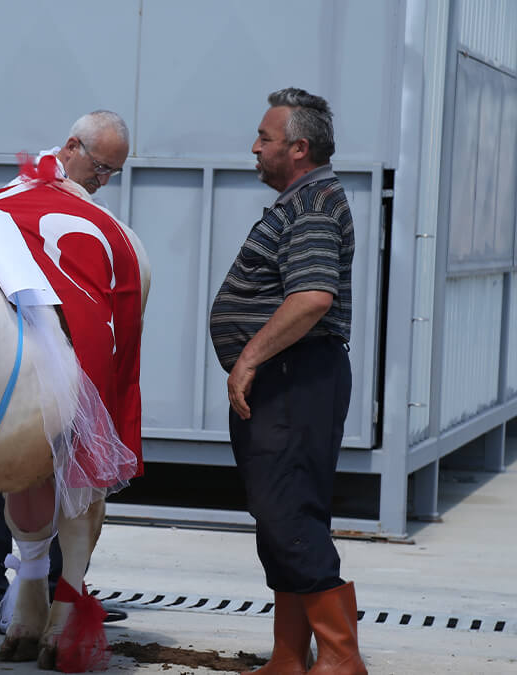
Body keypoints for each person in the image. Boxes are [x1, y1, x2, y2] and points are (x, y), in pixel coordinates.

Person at [209, 88, 365, 674]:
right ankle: (288, 657)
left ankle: (340, 660)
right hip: (285, 382)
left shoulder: (316, 205)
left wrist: (248, 358)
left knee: (287, 514)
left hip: (295, 379)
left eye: (265, 138)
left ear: (298, 148)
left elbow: (312, 298)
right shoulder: (300, 202)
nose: (254, 147)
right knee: (280, 514)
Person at [0, 110, 133, 634]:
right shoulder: (11, 203)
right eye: (99, 168)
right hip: (7, 364)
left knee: (63, 468)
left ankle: (57, 585)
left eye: (112, 174)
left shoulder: (77, 214)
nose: (102, 182)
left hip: (56, 361)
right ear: (72, 147)